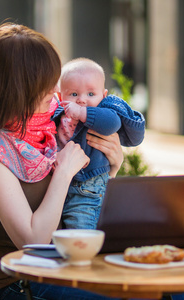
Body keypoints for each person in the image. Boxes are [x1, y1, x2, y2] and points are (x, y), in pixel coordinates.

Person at [0, 23, 184, 300]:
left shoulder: (56, 119)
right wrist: (63, 171)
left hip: (78, 263)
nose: (54, 88)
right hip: (19, 283)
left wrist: (110, 168)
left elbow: (82, 200)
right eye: (45, 82)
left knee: (182, 286)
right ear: (17, 86)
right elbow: (32, 240)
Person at [54, 58, 145, 230]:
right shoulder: (58, 114)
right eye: (73, 94)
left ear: (103, 96)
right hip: (62, 184)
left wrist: (82, 113)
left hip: (88, 187)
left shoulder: (102, 113)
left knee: (80, 228)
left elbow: (112, 123)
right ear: (60, 96)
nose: (82, 100)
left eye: (90, 94)